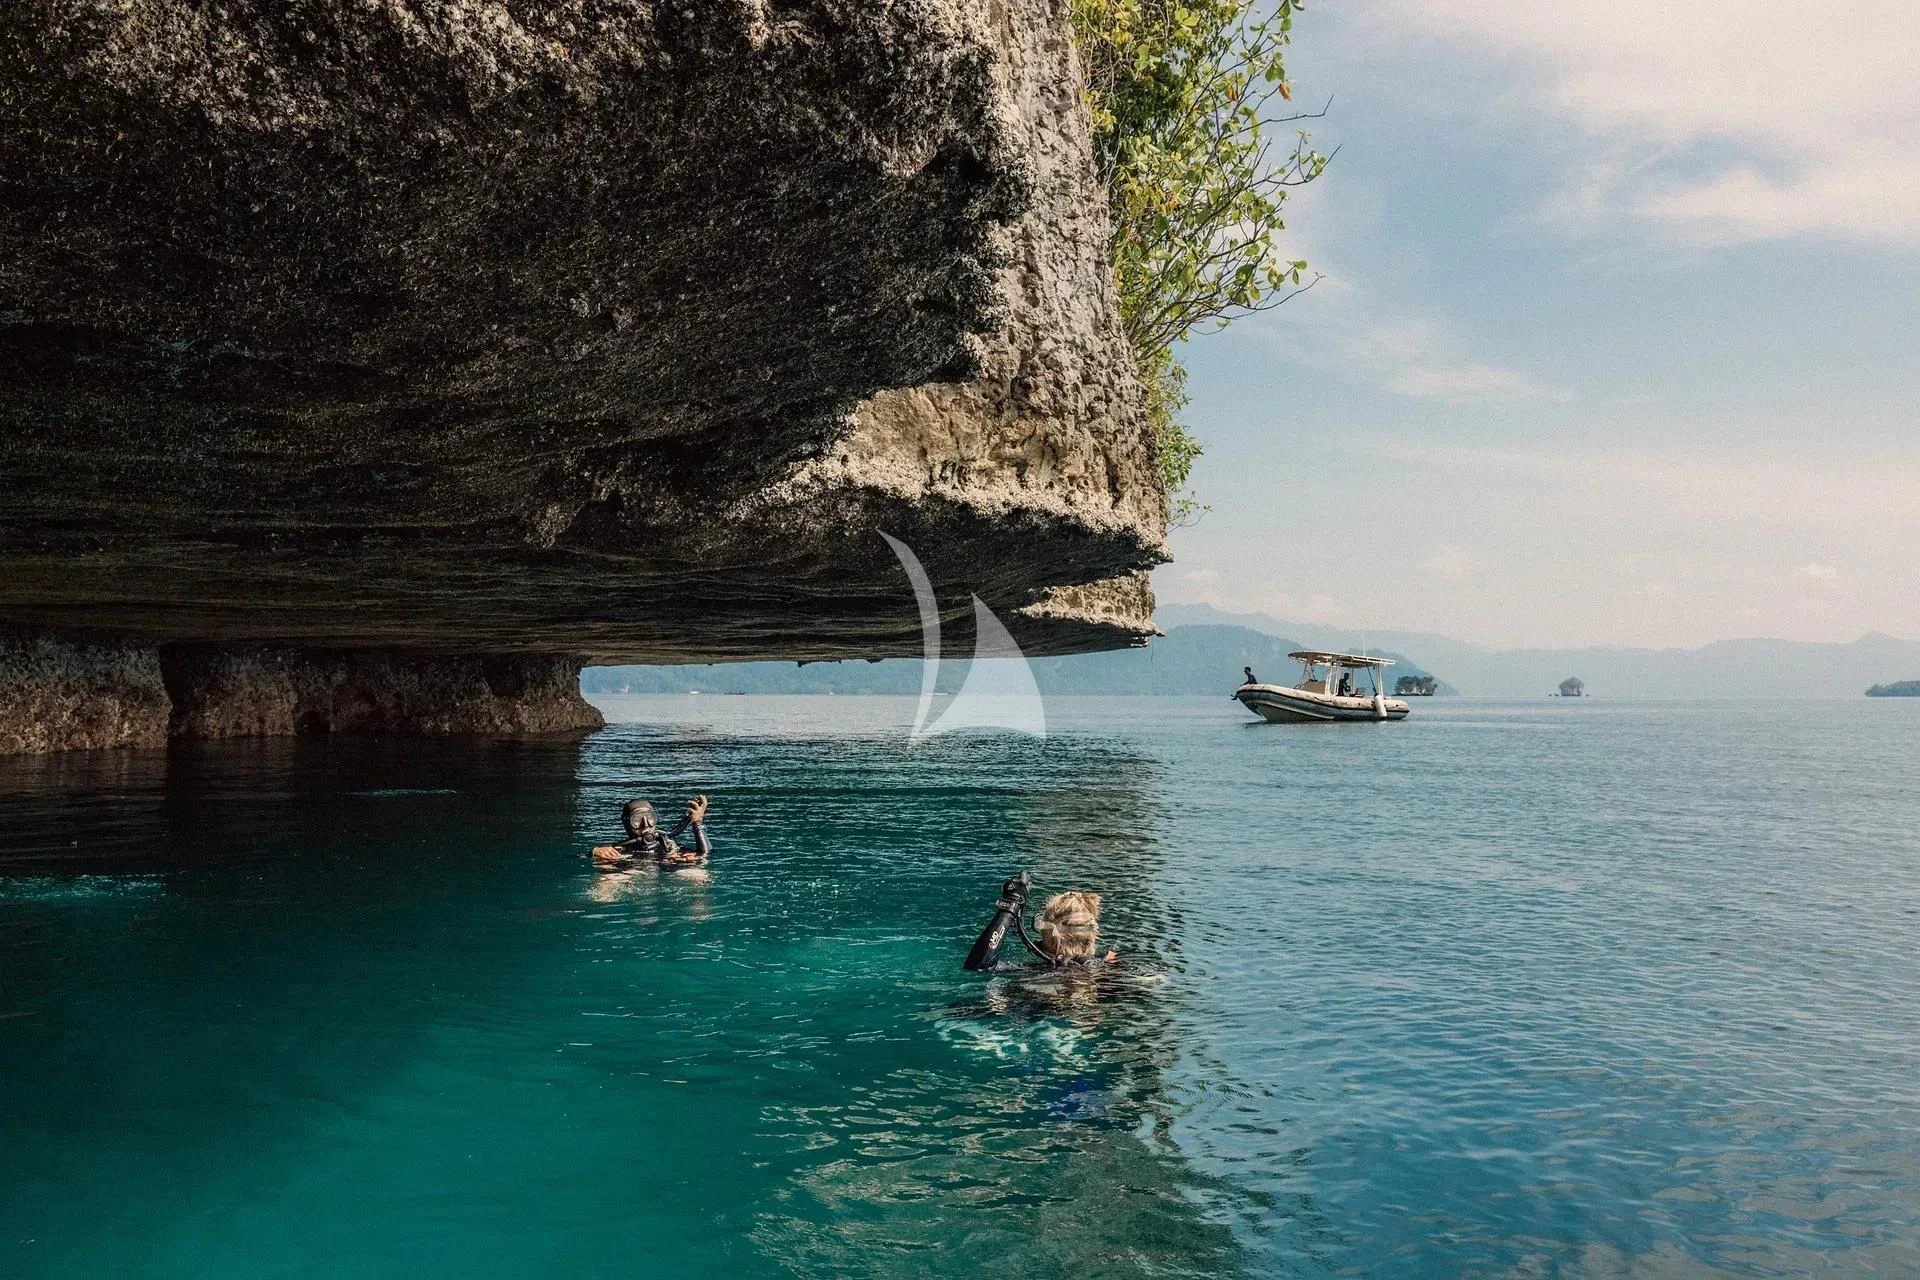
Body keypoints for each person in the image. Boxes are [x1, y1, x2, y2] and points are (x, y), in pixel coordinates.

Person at [592, 795, 710, 868]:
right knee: (608, 873)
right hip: (630, 871)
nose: (646, 825)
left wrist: (697, 823)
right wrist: (595, 851)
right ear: (627, 824)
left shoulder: (667, 844)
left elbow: (705, 855)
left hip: (666, 868)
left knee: (697, 873)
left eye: (650, 818)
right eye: (637, 820)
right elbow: (577, 857)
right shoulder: (618, 849)